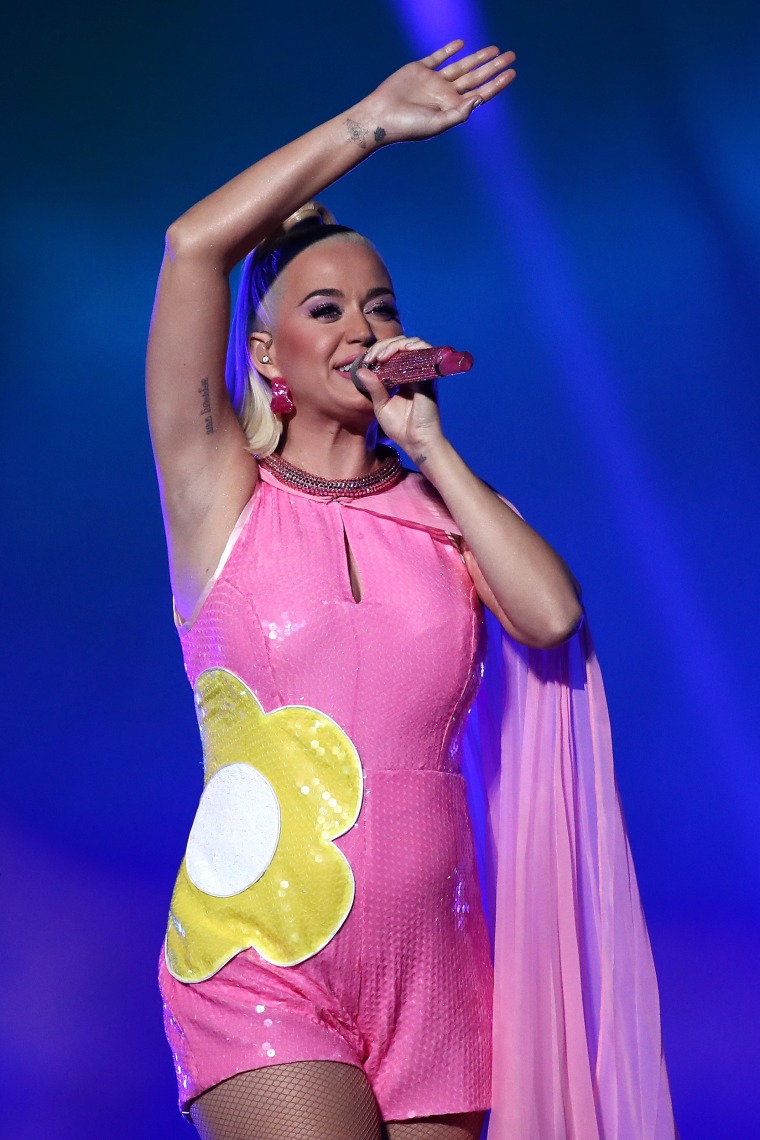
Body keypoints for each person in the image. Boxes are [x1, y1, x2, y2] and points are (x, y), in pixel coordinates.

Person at [147, 40, 676, 1140]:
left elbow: (553, 615)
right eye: (327, 310)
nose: (364, 330)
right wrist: (369, 124)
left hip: (439, 972)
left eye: (380, 309)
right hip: (260, 962)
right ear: (268, 357)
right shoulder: (218, 498)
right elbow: (194, 245)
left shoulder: (442, 514)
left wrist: (432, 451)